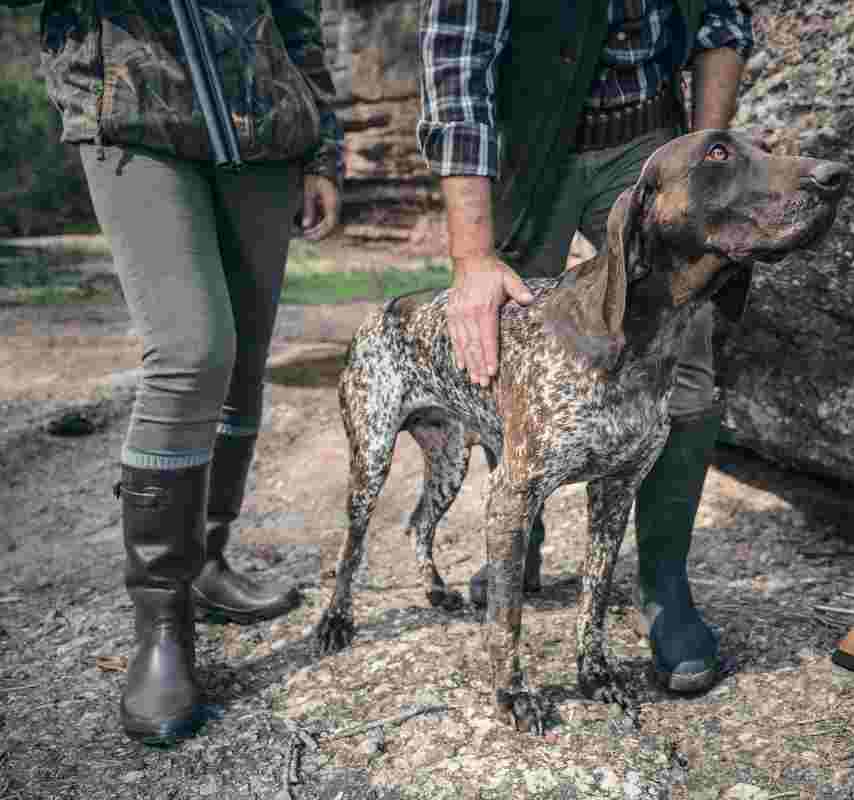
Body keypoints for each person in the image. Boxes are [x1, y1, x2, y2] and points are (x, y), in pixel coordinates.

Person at [4, 0, 343, 740]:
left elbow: (297, 15)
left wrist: (322, 149)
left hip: (264, 124)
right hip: (133, 109)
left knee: (242, 361)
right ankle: (163, 621)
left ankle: (209, 559)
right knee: (192, 352)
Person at [418, 0, 753, 693]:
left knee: (682, 359)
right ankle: (523, 532)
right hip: (523, 142)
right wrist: (472, 256)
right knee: (507, 338)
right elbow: (456, 61)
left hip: (650, 138)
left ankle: (665, 586)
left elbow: (722, 21)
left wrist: (705, 156)